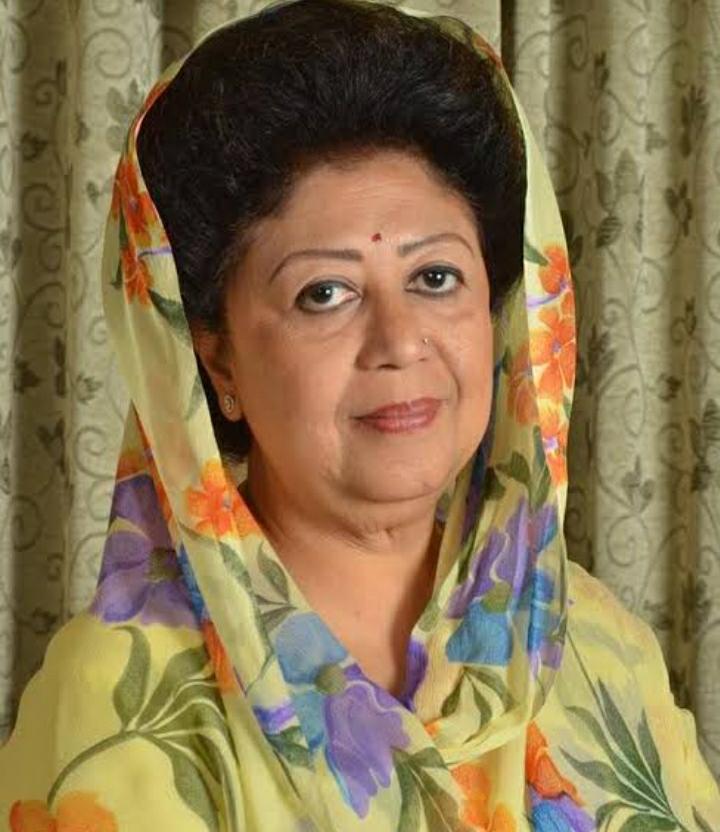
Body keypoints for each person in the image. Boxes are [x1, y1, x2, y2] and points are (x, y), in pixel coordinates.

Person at [2, 0, 719, 829]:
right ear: (215, 359)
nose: (400, 341)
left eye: (436, 278)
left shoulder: (593, 644)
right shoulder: (123, 698)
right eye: (325, 293)